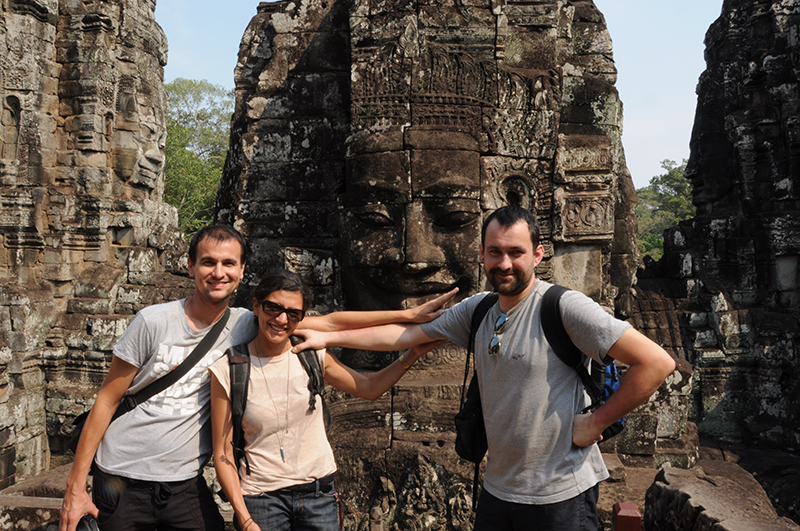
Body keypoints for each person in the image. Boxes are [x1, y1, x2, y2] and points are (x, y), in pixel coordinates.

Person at [291, 205, 677, 531]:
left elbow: (656, 362)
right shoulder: (477, 311)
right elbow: (401, 335)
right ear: (481, 253)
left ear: (538, 255)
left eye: (515, 252)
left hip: (561, 493)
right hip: (498, 490)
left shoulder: (563, 307)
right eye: (495, 252)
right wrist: (328, 337)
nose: (504, 263)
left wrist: (596, 423)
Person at [59, 225, 455, 531]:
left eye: (229, 264)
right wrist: (76, 489)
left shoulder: (249, 323)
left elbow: (333, 322)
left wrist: (408, 315)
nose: (218, 273)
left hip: (182, 483)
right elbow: (107, 400)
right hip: (121, 477)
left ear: (242, 271)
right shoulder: (153, 322)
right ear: (191, 266)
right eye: (208, 262)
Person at [209, 269, 444, 531]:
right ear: (257, 305)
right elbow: (222, 452)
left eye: (293, 313)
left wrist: (411, 354)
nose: (282, 319)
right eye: (273, 308)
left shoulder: (309, 353)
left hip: (317, 495)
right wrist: (244, 517)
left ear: (301, 317)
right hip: (262, 500)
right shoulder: (230, 369)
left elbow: (368, 387)